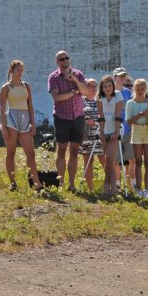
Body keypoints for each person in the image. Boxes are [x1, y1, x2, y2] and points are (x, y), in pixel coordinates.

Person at [48, 51, 93, 192]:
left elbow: (86, 92)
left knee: (74, 151)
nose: (65, 61)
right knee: (61, 150)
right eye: (61, 59)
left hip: (78, 116)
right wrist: (73, 93)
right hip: (62, 117)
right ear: (57, 62)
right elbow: (57, 98)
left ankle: (71, 184)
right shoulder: (54, 77)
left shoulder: (78, 74)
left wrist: (75, 81)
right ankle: (60, 183)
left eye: (66, 58)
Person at [0, 60, 42, 191]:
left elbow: (30, 105)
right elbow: (2, 108)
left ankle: (37, 184)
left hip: (25, 118)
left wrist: (33, 124)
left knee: (31, 153)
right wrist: (4, 127)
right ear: (11, 71)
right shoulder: (5, 88)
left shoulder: (26, 86)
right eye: (18, 70)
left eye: (22, 70)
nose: (20, 73)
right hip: (11, 119)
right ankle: (13, 183)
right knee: (11, 152)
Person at [125, 78, 148, 198]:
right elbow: (128, 121)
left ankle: (147, 188)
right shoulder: (130, 103)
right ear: (134, 89)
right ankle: (139, 188)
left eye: (142, 89)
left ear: (146, 89)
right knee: (138, 161)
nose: (140, 91)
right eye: (138, 89)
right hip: (136, 130)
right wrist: (140, 115)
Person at [97, 75, 124, 195]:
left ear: (113, 86)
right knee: (108, 160)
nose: (107, 88)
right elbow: (101, 116)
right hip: (104, 129)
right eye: (105, 86)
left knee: (109, 158)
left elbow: (118, 115)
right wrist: (102, 132)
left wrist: (116, 132)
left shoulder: (118, 95)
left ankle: (108, 185)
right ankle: (111, 187)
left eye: (109, 85)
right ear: (101, 88)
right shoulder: (99, 97)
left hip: (115, 129)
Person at [113, 68, 136, 192]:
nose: (121, 78)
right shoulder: (110, 91)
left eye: (123, 76)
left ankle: (132, 186)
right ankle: (117, 186)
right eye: (119, 76)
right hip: (115, 130)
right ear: (114, 77)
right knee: (116, 160)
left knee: (132, 159)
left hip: (128, 130)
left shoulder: (128, 92)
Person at [79, 78, 102, 192]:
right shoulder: (80, 100)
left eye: (95, 86)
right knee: (88, 160)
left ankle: (111, 185)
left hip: (100, 134)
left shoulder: (101, 100)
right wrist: (85, 121)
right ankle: (90, 188)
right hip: (87, 135)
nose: (92, 88)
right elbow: (76, 116)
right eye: (89, 85)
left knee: (105, 159)